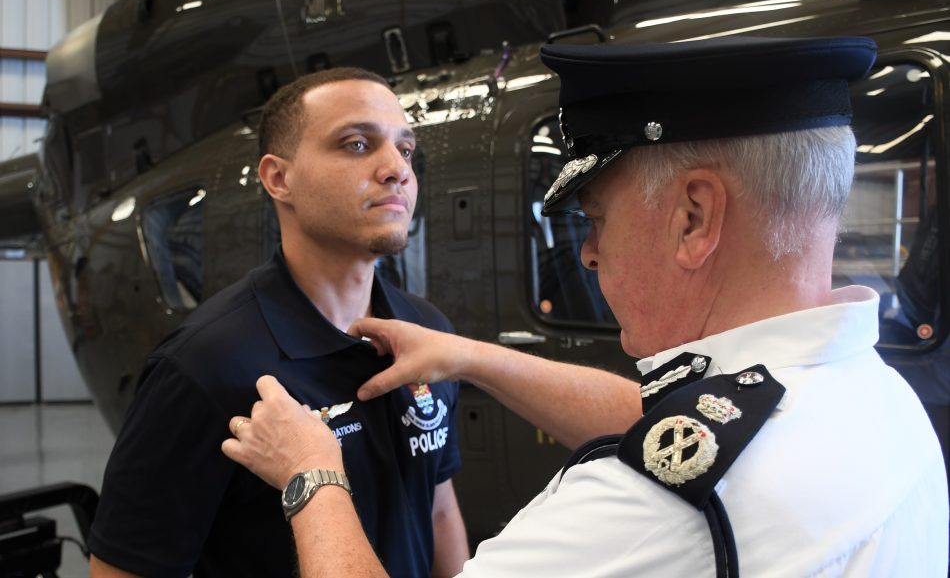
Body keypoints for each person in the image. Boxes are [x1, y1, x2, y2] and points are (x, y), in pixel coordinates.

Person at [221, 37, 949, 576]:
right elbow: (671, 425)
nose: (591, 254)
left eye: (597, 219)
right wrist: (470, 356)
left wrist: (313, 474)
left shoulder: (652, 511)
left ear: (694, 218)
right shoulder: (879, 400)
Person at [88, 67, 472, 578]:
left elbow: (438, 511)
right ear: (278, 178)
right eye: (357, 145)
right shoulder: (204, 366)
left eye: (405, 150)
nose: (397, 169)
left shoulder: (428, 335)